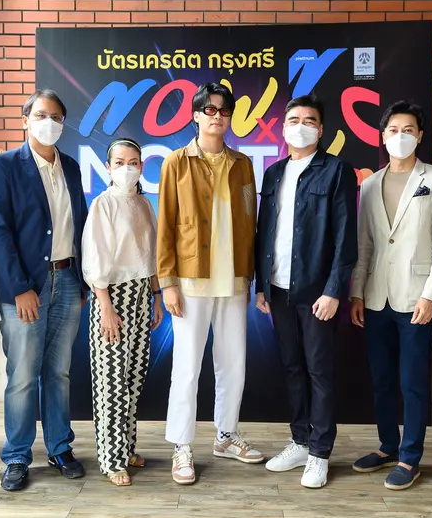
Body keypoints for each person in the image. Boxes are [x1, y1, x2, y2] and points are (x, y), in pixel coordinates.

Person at [0, 89, 89, 491]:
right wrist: (20, 287)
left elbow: (79, 224)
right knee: (23, 375)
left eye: (57, 117)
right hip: (26, 286)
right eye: (42, 115)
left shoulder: (71, 167)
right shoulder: (6, 165)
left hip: (68, 280)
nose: (50, 123)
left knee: (58, 372)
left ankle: (60, 447)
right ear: (25, 120)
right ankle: (16, 455)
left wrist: (81, 279)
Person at [157, 82, 263, 485]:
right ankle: (181, 445)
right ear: (196, 116)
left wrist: (249, 275)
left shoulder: (243, 164)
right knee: (187, 367)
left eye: (224, 110)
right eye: (209, 109)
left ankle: (226, 434)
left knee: (233, 363)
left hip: (233, 279)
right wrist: (167, 282)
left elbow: (250, 223)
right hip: (190, 280)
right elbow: (166, 225)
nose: (217, 116)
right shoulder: (175, 163)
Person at [349, 101, 432, 490]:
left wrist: (431, 294)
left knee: (412, 381)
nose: (401, 136)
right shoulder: (370, 184)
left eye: (408, 130)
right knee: (382, 380)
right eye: (394, 130)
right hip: (376, 296)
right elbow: (365, 245)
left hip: (416, 297)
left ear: (420, 135)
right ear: (383, 136)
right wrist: (357, 292)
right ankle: (387, 447)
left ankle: (410, 457)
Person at [254, 95, 358, 489]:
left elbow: (346, 238)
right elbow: (265, 232)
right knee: (291, 367)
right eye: (294, 120)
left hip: (317, 294)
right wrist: (262, 285)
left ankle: (320, 452)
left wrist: (334, 290)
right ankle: (299, 440)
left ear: (321, 128)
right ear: (283, 128)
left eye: (309, 120)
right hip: (279, 290)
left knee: (319, 370)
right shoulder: (274, 173)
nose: (301, 126)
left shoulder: (336, 171)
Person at [82, 138, 163, 486]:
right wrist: (105, 306)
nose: (126, 168)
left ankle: (127, 448)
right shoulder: (103, 204)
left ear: (141, 166)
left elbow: (151, 253)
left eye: (133, 162)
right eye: (119, 162)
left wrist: (156, 296)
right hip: (112, 295)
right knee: (111, 381)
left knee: (133, 377)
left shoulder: (143, 203)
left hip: (141, 294)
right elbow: (95, 257)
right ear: (108, 167)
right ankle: (111, 459)